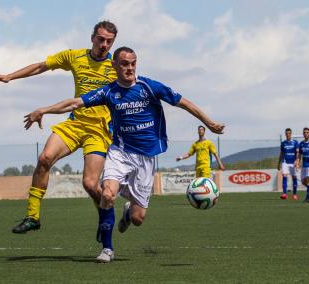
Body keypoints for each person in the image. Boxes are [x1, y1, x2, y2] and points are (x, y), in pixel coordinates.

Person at [23, 46, 225, 262]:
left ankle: (128, 212)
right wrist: (43, 110)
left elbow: (184, 102)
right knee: (107, 194)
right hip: (119, 153)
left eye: (133, 63)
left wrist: (209, 123)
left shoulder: (150, 86)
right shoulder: (109, 92)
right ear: (114, 66)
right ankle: (107, 249)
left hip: (146, 158)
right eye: (124, 64)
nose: (130, 68)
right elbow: (75, 103)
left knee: (138, 218)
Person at [0, 21, 118, 233]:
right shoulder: (74, 56)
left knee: (89, 184)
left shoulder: (116, 66)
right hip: (75, 123)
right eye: (101, 39)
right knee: (44, 159)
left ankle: (105, 213)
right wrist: (10, 76)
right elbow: (42, 66)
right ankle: (33, 217)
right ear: (92, 38)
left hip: (99, 130)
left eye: (109, 41)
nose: (104, 44)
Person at [277, 128, 299, 200]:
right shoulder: (283, 143)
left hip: (293, 162)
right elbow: (281, 154)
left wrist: (297, 161)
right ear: (285, 134)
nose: (288, 135)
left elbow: (297, 153)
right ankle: (284, 194)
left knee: (294, 177)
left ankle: (295, 194)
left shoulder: (295, 142)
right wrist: (279, 163)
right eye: (286, 133)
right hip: (285, 162)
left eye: (289, 133)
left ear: (291, 134)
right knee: (284, 176)